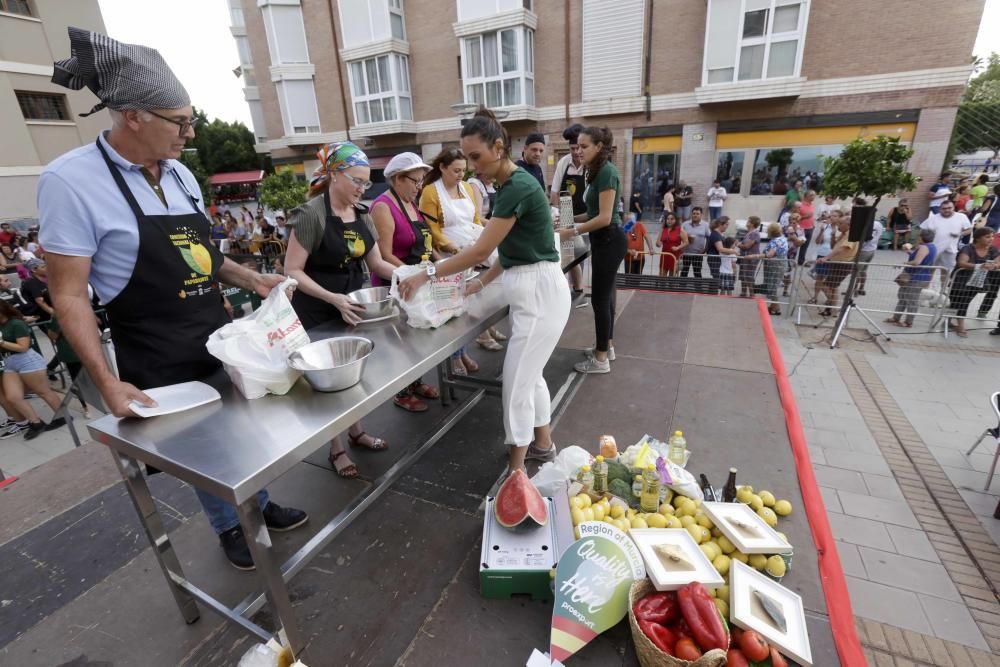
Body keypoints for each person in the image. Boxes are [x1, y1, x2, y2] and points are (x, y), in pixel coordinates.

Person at [40, 28, 308, 571]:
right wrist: (108, 382)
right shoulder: (69, 180)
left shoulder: (182, 173)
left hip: (216, 332)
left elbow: (201, 254)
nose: (189, 133)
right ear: (132, 115)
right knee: (204, 453)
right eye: (180, 123)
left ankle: (257, 501)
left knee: (245, 432)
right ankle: (230, 525)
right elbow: (67, 294)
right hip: (157, 351)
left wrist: (251, 279)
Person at [398, 108, 569, 472]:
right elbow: (508, 253)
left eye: (476, 157)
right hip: (534, 290)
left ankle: (517, 470)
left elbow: (478, 251)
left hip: (539, 293)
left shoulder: (517, 186)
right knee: (529, 374)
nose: (472, 167)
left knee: (516, 385)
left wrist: (426, 274)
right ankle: (543, 445)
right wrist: (479, 282)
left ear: (498, 147)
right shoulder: (512, 185)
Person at [285, 141, 397, 477]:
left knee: (351, 372)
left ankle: (356, 430)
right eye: (356, 180)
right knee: (329, 381)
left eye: (366, 182)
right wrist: (332, 298)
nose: (362, 188)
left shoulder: (362, 214)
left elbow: (376, 261)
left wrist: (411, 274)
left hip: (351, 304)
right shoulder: (311, 215)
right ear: (334, 174)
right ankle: (336, 449)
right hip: (316, 309)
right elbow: (292, 271)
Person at [369, 151, 443, 413]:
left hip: (418, 279)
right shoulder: (383, 206)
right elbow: (385, 254)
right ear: (398, 178)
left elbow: (426, 241)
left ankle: (416, 381)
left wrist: (440, 265)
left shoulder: (411, 204)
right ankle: (401, 392)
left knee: (417, 337)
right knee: (401, 340)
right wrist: (414, 275)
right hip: (396, 283)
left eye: (421, 181)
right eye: (415, 181)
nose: (419, 187)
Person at [418, 147, 499, 365]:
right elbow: (431, 229)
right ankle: (457, 355)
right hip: (449, 252)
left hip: (473, 245)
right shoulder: (430, 192)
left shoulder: (466, 188)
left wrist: (493, 227)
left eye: (463, 171)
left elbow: (474, 220)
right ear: (442, 168)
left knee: (481, 291)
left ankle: (486, 329)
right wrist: (453, 249)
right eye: (456, 171)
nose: (461, 175)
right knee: (454, 307)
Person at [570, 127, 627, 375]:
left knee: (600, 300)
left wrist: (570, 231)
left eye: (583, 146)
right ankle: (607, 347)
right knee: (606, 298)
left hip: (609, 239)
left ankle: (600, 359)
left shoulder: (607, 172)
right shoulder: (596, 172)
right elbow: (593, 213)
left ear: (599, 146)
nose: (578, 151)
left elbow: (604, 218)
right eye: (578, 146)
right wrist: (568, 219)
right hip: (604, 239)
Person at [0, 300, 66, 440]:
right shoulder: (3, 325)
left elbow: (23, 347)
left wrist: (2, 342)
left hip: (27, 360)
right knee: (13, 397)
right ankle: (36, 422)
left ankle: (63, 416)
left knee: (43, 391)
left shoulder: (16, 324)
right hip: (10, 362)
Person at [549, 124, 587, 301]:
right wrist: (556, 214)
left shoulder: (591, 164)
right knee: (568, 257)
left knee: (583, 255)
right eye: (572, 148)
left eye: (579, 148)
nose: (576, 152)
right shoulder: (563, 163)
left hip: (587, 217)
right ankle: (570, 292)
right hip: (565, 216)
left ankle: (578, 292)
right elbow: (555, 192)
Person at [948, 227, 999, 337]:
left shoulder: (992, 249)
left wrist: (994, 266)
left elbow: (998, 261)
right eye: (987, 237)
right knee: (955, 302)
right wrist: (979, 266)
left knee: (964, 303)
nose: (991, 239)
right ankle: (949, 321)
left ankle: (959, 325)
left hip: (977, 281)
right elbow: (962, 263)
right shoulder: (967, 248)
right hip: (960, 280)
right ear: (977, 238)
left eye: (992, 236)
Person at [885, 229, 937, 329]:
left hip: (916, 277)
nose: (918, 238)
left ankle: (908, 322)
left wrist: (904, 263)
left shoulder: (924, 247)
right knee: (903, 297)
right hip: (917, 276)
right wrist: (909, 252)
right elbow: (921, 260)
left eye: (919, 236)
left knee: (911, 300)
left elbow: (917, 262)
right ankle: (896, 317)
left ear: (921, 237)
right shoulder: (932, 247)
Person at [922, 199, 972, 290]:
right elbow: (922, 230)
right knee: (929, 271)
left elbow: (969, 229)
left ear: (953, 207)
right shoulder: (933, 218)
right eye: (944, 208)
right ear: (940, 209)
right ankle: (925, 291)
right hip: (934, 250)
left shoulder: (961, 216)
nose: (947, 210)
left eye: (949, 208)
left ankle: (943, 292)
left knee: (946, 272)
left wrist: (960, 234)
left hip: (951, 250)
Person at [814, 215, 858, 316]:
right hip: (836, 263)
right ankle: (830, 309)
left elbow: (841, 249)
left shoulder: (852, 235)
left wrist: (826, 258)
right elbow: (834, 246)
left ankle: (834, 307)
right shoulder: (843, 234)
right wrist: (834, 236)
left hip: (843, 264)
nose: (838, 226)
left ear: (849, 225)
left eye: (841, 223)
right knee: (833, 287)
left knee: (826, 286)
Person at [746, 223, 788, 316]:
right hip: (780, 264)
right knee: (773, 286)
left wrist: (755, 256)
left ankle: (776, 307)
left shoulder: (775, 241)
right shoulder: (782, 238)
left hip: (774, 266)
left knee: (772, 286)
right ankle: (774, 307)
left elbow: (769, 255)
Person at [855, 215, 884, 296]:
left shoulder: (865, 226)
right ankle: (861, 288)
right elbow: (880, 236)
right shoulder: (879, 224)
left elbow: (864, 239)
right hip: (872, 250)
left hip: (863, 251)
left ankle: (855, 289)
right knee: (863, 270)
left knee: (857, 271)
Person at [680, 207, 709, 277]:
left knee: (697, 272)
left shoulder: (706, 225)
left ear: (701, 215)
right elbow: (679, 236)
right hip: (686, 253)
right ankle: (681, 287)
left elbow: (709, 238)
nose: (695, 215)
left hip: (698, 254)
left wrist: (705, 249)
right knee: (684, 271)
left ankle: (698, 287)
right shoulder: (685, 224)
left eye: (697, 214)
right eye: (694, 213)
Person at [656, 211, 686, 277]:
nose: (669, 221)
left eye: (672, 219)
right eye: (668, 219)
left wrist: (678, 247)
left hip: (675, 256)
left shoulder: (679, 229)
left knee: (672, 278)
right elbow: (657, 243)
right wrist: (659, 244)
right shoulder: (663, 229)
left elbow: (686, 242)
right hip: (665, 256)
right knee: (661, 277)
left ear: (676, 220)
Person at [738, 216, 762, 297]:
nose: (746, 223)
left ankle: (752, 294)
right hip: (745, 257)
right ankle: (743, 293)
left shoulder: (754, 233)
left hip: (751, 258)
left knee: (749, 275)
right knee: (743, 275)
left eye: (748, 221)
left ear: (752, 223)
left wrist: (737, 244)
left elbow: (747, 246)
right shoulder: (749, 232)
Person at [796, 190, 817, 265]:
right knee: (797, 245)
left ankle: (801, 261)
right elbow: (795, 217)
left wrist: (813, 224)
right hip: (801, 228)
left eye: (814, 195)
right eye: (811, 195)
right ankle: (791, 261)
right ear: (806, 196)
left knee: (805, 246)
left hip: (810, 228)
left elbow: (811, 216)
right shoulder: (800, 205)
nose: (813, 197)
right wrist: (805, 217)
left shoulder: (812, 205)